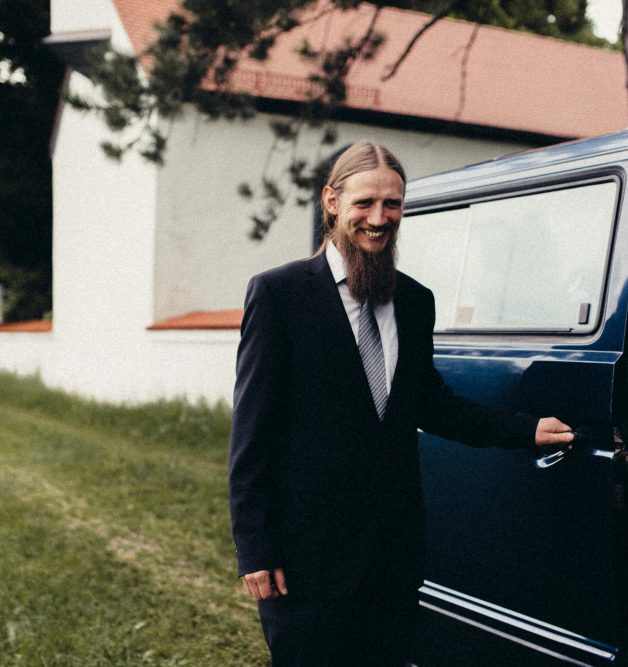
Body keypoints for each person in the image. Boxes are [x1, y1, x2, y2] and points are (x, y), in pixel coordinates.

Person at [228, 140, 574, 666]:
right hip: (307, 558)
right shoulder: (279, 294)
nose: (379, 217)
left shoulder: (415, 301)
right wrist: (256, 549)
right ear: (332, 202)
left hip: (392, 554)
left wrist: (523, 430)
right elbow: (252, 434)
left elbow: (429, 404)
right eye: (364, 203)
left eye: (392, 204)